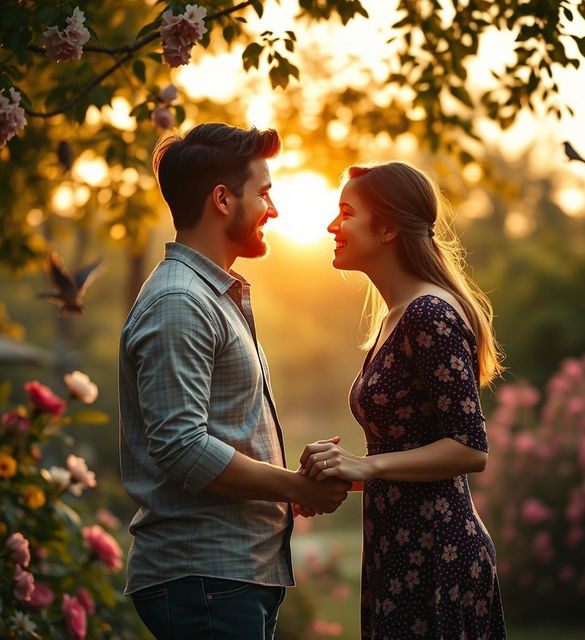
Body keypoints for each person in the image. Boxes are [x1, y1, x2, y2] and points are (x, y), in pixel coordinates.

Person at [118, 123, 350, 640]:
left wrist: (284, 483)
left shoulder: (209, 296)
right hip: (205, 578)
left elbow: (215, 433)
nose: (274, 209)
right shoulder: (180, 302)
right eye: (264, 192)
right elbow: (181, 446)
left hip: (223, 577)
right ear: (222, 200)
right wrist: (292, 485)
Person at [300, 162, 507, 639]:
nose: (332, 226)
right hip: (398, 550)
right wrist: (332, 477)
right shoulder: (396, 315)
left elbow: (470, 448)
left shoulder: (428, 313)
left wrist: (364, 467)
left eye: (346, 213)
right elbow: (410, 449)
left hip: (438, 558)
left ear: (389, 227)